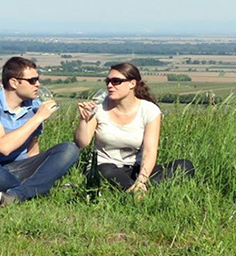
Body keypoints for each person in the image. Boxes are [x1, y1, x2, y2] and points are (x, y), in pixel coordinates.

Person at [0, 57, 80, 207]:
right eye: (32, 80)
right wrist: (38, 118)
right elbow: (3, 147)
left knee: (69, 148)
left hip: (20, 168)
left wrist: (38, 168)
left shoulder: (34, 106)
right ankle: (36, 188)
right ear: (14, 83)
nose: (38, 84)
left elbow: (33, 147)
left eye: (38, 79)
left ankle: (18, 193)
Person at [74, 62, 194, 195]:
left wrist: (141, 180)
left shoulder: (149, 110)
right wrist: (84, 119)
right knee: (106, 172)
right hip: (106, 166)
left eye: (116, 81)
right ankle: (137, 192)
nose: (109, 85)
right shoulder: (99, 108)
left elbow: (150, 151)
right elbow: (82, 143)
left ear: (132, 83)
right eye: (108, 81)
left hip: (136, 169)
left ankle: (132, 189)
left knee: (184, 166)